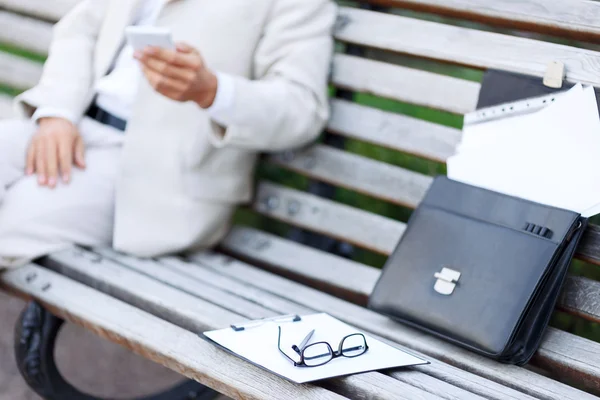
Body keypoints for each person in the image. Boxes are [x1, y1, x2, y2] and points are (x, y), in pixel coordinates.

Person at [0, 0, 336, 268]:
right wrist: (58, 111)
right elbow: (80, 30)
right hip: (73, 127)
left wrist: (214, 93)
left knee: (8, 228)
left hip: (155, 178)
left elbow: (302, 108)